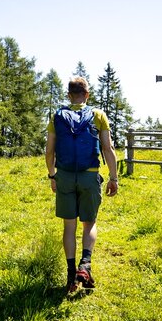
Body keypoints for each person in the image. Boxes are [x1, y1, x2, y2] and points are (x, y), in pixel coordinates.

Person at [44, 76, 119, 292]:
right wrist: (113, 177)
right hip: (89, 176)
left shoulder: (57, 116)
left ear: (69, 95)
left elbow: (49, 151)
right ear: (87, 94)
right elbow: (108, 149)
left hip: (65, 176)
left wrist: (52, 175)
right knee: (90, 223)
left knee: (69, 226)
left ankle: (70, 276)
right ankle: (84, 266)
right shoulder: (98, 115)